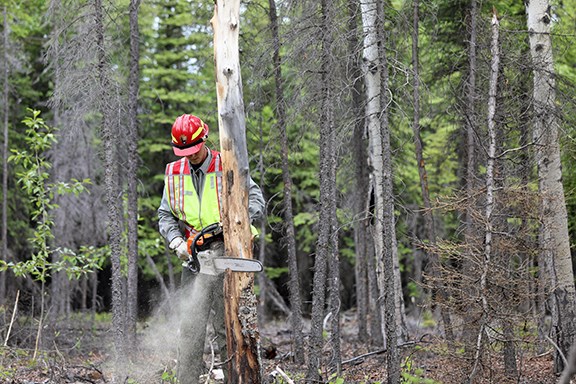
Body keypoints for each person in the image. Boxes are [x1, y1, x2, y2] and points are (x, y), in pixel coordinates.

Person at [157, 114, 265, 384]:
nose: (190, 156)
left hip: (227, 254)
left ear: (204, 139)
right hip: (193, 258)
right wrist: (176, 242)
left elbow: (256, 199)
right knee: (191, 329)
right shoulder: (174, 173)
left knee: (227, 329)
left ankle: (234, 380)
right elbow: (165, 215)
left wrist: (238, 221)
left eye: (193, 149)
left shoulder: (226, 163)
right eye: (184, 151)